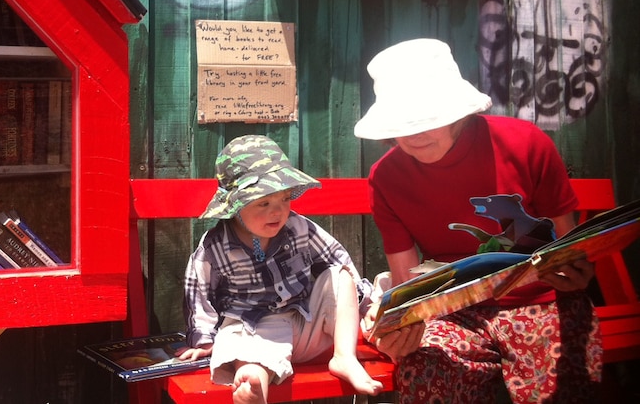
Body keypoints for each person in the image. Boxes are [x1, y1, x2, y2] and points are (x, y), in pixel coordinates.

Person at [354, 38, 601, 403]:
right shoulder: (385, 177)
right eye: (404, 122)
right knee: (423, 370)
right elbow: (407, 281)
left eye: (429, 118)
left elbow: (569, 244)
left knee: (563, 379)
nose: (416, 134)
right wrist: (399, 326)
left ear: (459, 110)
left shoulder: (525, 144)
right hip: (453, 313)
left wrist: (577, 272)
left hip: (544, 299)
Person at [178, 134, 384, 404]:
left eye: (285, 199)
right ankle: (254, 386)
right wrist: (203, 340)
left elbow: (336, 257)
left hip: (306, 326)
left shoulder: (299, 228)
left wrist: (368, 307)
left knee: (339, 274)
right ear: (236, 205)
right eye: (264, 203)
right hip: (254, 331)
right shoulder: (215, 247)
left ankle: (344, 357)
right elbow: (198, 291)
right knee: (242, 347)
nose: (277, 212)